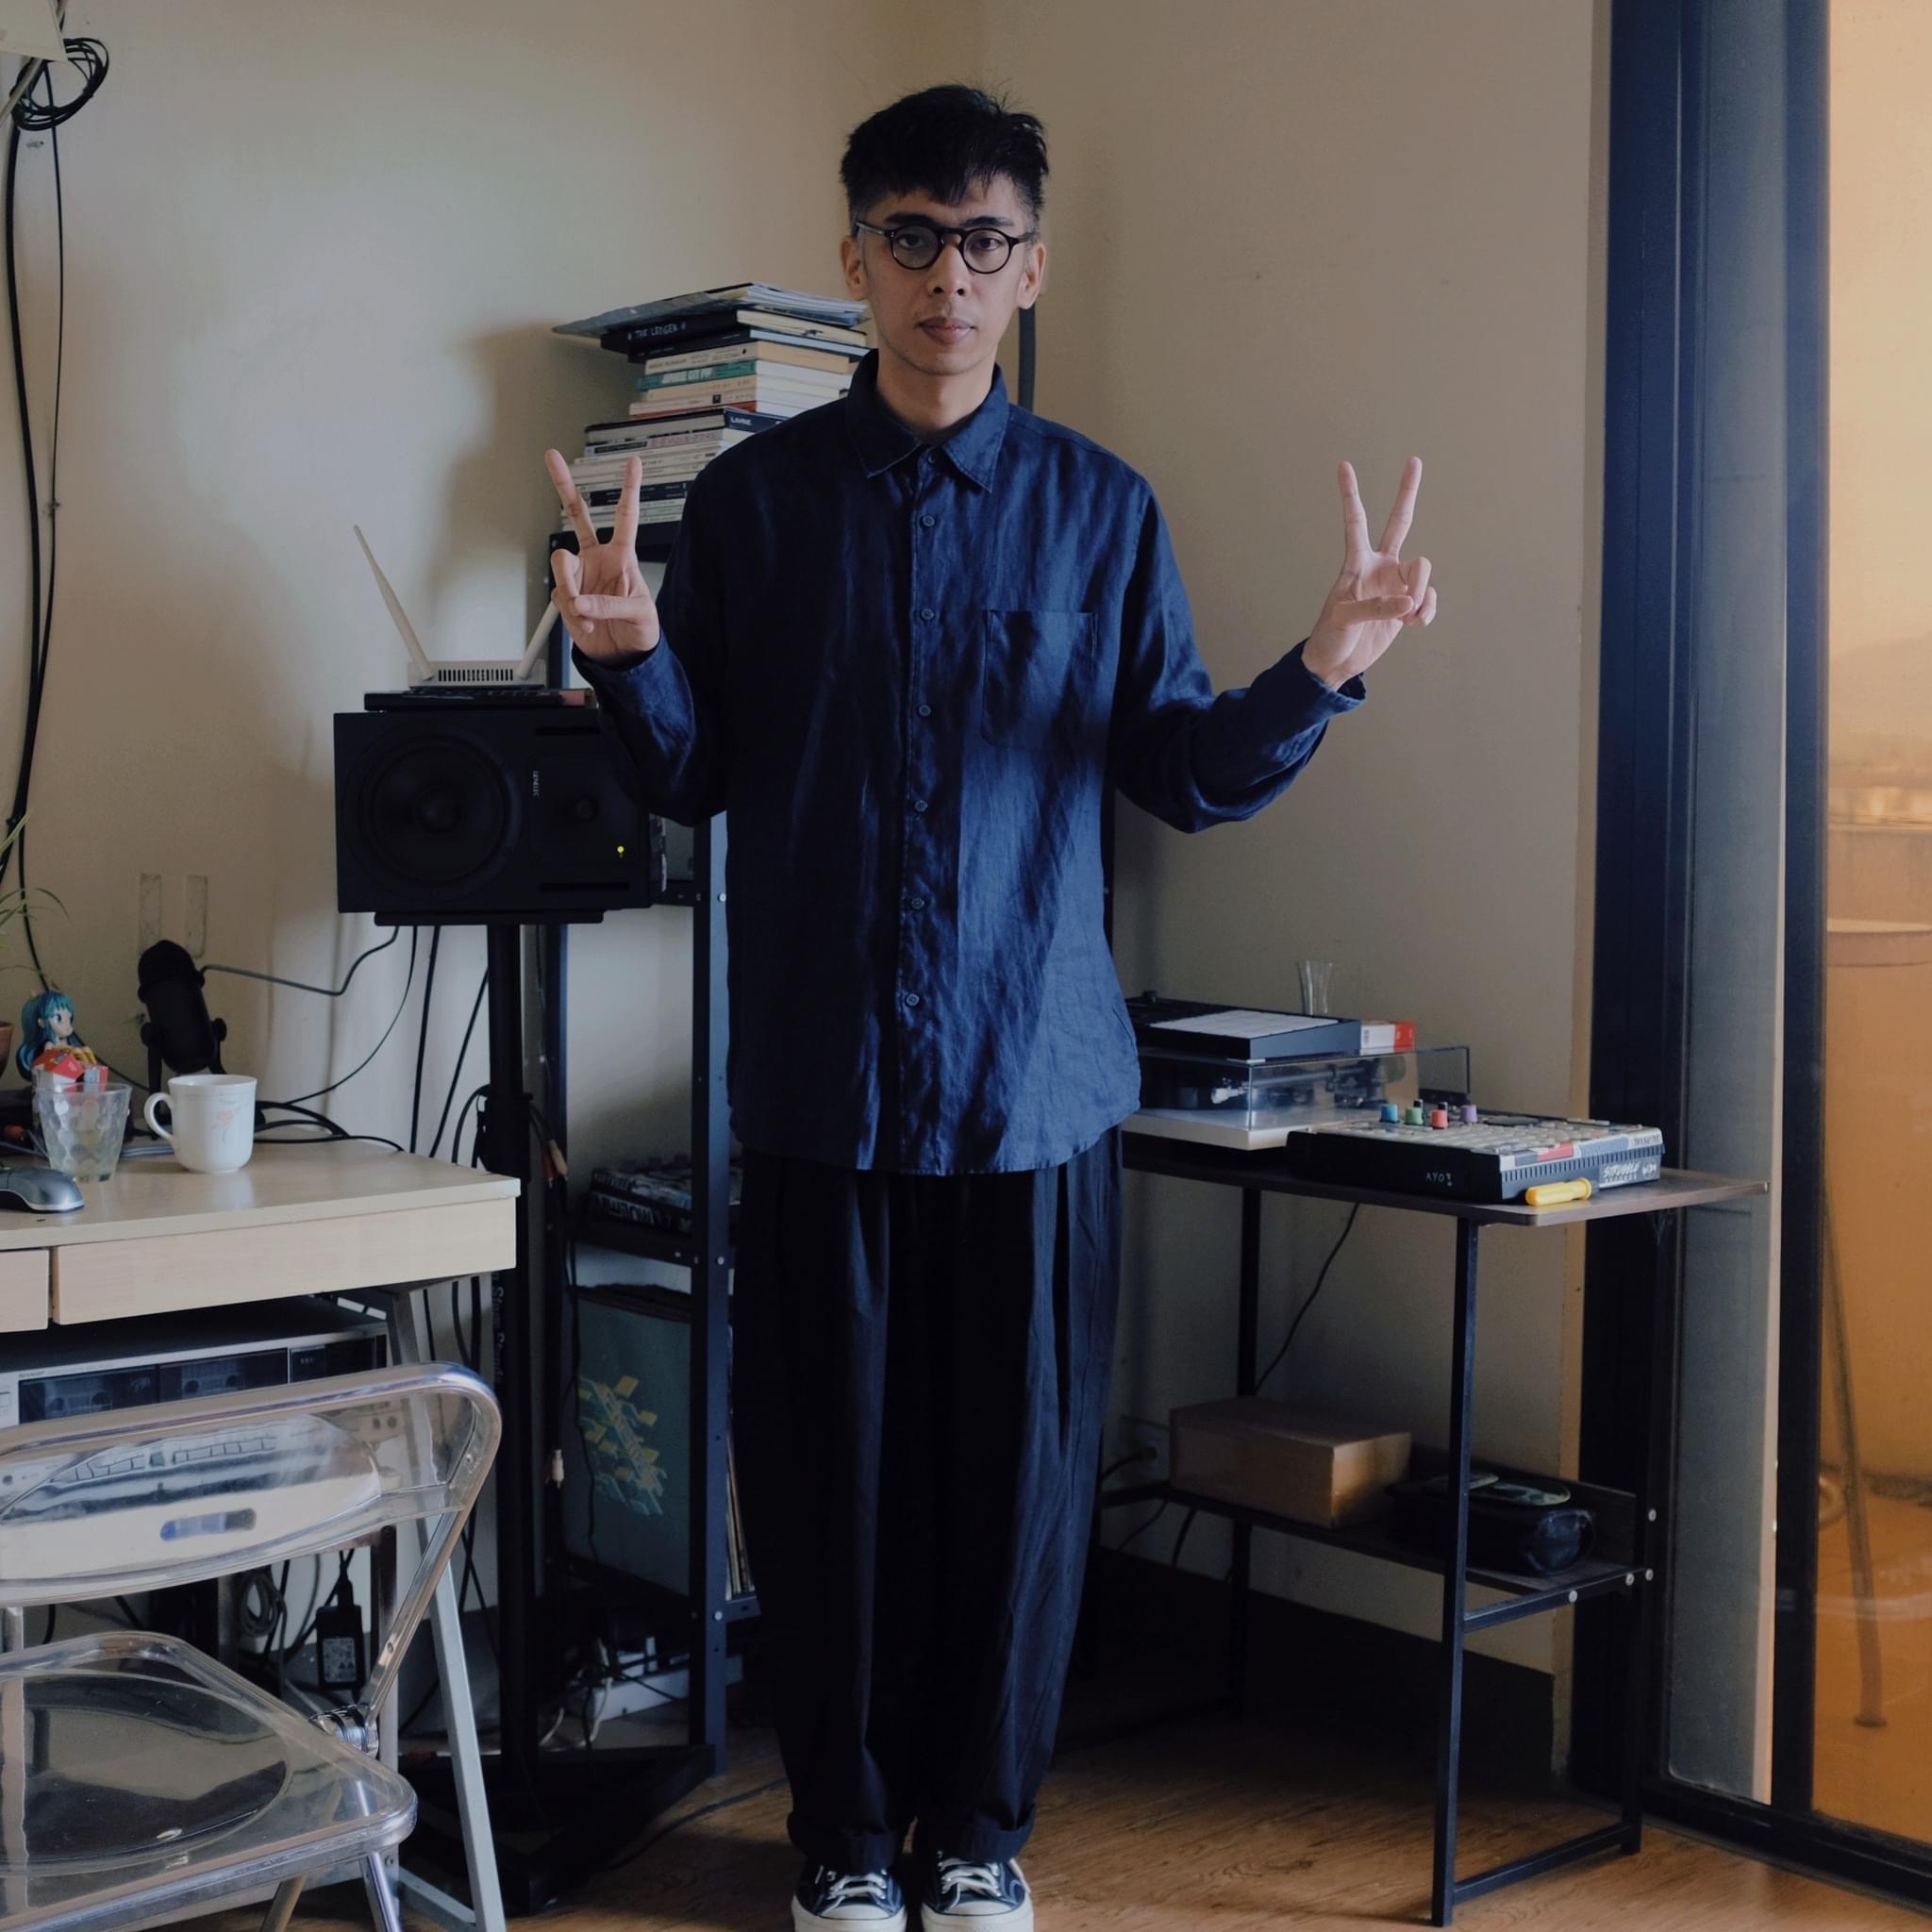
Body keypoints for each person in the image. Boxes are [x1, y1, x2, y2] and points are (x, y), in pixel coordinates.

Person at [548, 82, 1436, 1932]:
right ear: (855, 257)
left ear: (1031, 268)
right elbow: (697, 775)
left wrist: (1322, 665)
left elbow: (1179, 768)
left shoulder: (1102, 510)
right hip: (821, 1087)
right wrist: (627, 656)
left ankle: (975, 1832)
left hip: (1035, 1089)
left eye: (985, 241)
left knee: (1021, 1491)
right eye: (912, 237)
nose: (948, 275)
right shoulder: (756, 505)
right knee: (824, 1488)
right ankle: (841, 1840)